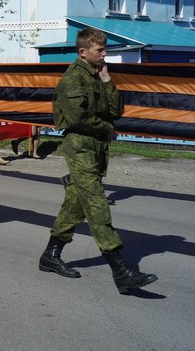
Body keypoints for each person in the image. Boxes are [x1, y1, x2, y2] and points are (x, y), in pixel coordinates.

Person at [38, 27, 157, 294]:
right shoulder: (73, 80)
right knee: (95, 202)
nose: (105, 54)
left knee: (75, 203)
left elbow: (115, 110)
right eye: (99, 50)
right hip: (79, 145)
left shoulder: (96, 76)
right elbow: (78, 119)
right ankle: (120, 270)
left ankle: (50, 255)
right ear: (82, 52)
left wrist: (106, 81)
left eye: (105, 49)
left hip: (96, 147)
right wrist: (106, 129)